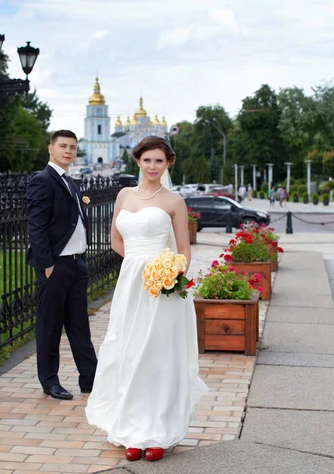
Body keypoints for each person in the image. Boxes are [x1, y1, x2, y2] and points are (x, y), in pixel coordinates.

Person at [85, 136, 207, 462]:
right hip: (130, 284)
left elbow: (184, 250)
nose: (153, 166)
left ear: (168, 164)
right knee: (127, 351)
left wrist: (165, 272)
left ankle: (157, 431)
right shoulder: (124, 195)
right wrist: (137, 266)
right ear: (137, 161)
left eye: (159, 161)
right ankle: (131, 431)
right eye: (147, 160)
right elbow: (115, 239)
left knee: (155, 356)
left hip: (162, 288)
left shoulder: (174, 201)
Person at [26, 130, 97, 400]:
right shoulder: (42, 180)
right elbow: (37, 225)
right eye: (63, 146)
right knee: (50, 325)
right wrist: (46, 264)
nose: (68, 151)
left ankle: (89, 379)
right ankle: (49, 381)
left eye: (72, 147)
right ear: (51, 149)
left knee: (79, 324)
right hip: (56, 266)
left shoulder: (70, 181)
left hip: (78, 264)